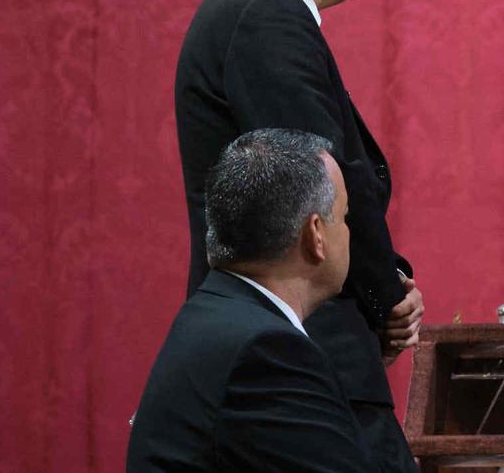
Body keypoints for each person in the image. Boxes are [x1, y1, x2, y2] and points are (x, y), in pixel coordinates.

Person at [174, 0, 420, 470]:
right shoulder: (265, 14)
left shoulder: (256, 6)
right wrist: (385, 295)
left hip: (285, 330)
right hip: (300, 341)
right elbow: (320, 178)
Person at [129, 129, 368, 472]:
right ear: (316, 234)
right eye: (344, 217)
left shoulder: (212, 316)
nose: (348, 232)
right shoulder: (268, 352)